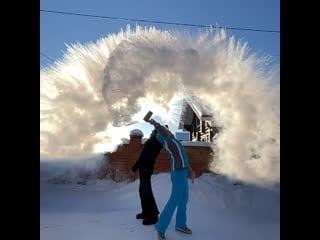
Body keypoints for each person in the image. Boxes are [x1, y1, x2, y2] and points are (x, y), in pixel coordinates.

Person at [146, 118, 195, 240]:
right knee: (174, 200)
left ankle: (180, 225)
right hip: (178, 172)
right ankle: (160, 227)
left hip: (183, 171)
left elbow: (183, 156)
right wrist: (153, 122)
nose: (167, 130)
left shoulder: (174, 141)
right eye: (166, 129)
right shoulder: (167, 140)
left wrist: (189, 169)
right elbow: (161, 130)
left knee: (183, 200)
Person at [131, 129, 163, 225]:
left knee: (146, 192)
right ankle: (146, 212)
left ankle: (153, 216)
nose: (151, 132)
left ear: (157, 134)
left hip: (146, 169)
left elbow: (144, 156)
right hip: (144, 169)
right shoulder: (152, 141)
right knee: (143, 191)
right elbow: (143, 154)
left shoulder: (155, 142)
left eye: (154, 131)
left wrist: (135, 166)